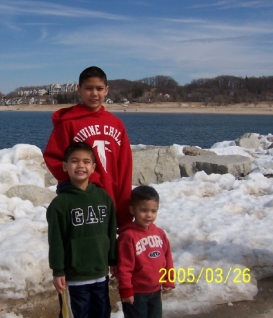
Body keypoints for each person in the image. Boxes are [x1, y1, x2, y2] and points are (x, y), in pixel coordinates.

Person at [43, 66, 133, 228]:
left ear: (106, 90)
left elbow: (125, 166)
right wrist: (82, 183)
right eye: (88, 88)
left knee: (108, 247)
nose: (94, 94)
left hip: (112, 197)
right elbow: (53, 158)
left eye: (99, 89)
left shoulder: (116, 124)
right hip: (81, 197)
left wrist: (125, 209)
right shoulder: (68, 123)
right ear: (79, 89)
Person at [46, 142, 117, 318]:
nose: (80, 165)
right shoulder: (60, 204)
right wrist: (58, 270)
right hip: (73, 278)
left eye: (86, 162)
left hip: (100, 274)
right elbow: (56, 241)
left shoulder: (103, 197)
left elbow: (110, 231)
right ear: (65, 166)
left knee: (101, 313)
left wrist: (113, 259)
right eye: (75, 161)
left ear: (93, 167)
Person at [116, 185, 175, 318]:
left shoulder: (159, 233)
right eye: (144, 210)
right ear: (132, 210)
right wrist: (126, 290)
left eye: (153, 211)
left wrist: (168, 279)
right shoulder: (128, 236)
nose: (149, 215)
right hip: (136, 294)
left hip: (155, 291)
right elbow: (124, 267)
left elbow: (167, 259)